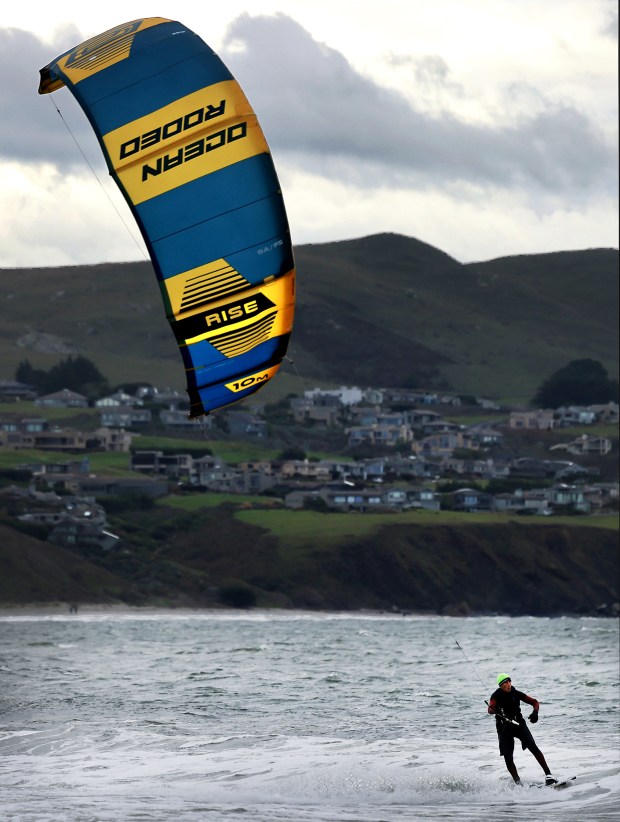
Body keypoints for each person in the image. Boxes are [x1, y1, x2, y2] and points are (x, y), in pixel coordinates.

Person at [487, 673, 557, 786]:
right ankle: (518, 783)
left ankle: (549, 775)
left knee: (532, 746)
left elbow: (535, 702)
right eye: (505, 683)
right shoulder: (495, 696)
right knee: (508, 757)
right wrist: (492, 709)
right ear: (501, 686)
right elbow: (490, 710)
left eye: (509, 681)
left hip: (518, 725)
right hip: (504, 728)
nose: (508, 684)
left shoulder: (516, 693)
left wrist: (535, 713)